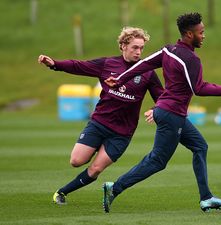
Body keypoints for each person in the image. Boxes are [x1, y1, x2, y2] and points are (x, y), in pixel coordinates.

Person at [103, 12, 221, 213]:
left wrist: (120, 79)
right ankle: (115, 188)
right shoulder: (190, 59)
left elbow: (143, 64)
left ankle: (206, 198)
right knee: (157, 161)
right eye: (201, 32)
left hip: (167, 111)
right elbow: (199, 88)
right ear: (189, 34)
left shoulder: (168, 50)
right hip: (172, 114)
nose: (203, 36)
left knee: (200, 146)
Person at [37, 27, 163, 205]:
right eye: (135, 47)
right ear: (123, 46)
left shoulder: (147, 72)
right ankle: (91, 148)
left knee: (96, 169)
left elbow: (162, 97)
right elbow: (78, 66)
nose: (139, 52)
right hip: (100, 123)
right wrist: (55, 64)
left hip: (122, 133)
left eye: (141, 48)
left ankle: (62, 192)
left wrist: (156, 109)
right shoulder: (108, 64)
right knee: (76, 161)